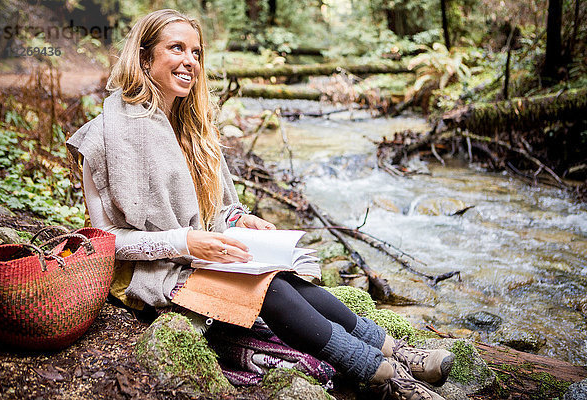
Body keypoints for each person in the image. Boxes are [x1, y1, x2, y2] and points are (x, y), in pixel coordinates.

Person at [67, 9, 453, 400]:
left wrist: (240, 219)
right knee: (269, 288)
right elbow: (106, 241)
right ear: (145, 57)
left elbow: (214, 210)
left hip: (200, 256)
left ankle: (396, 350)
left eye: (196, 53)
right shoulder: (103, 138)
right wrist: (185, 243)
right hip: (150, 273)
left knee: (287, 276)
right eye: (177, 48)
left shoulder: (193, 128)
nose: (190, 61)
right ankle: (386, 377)